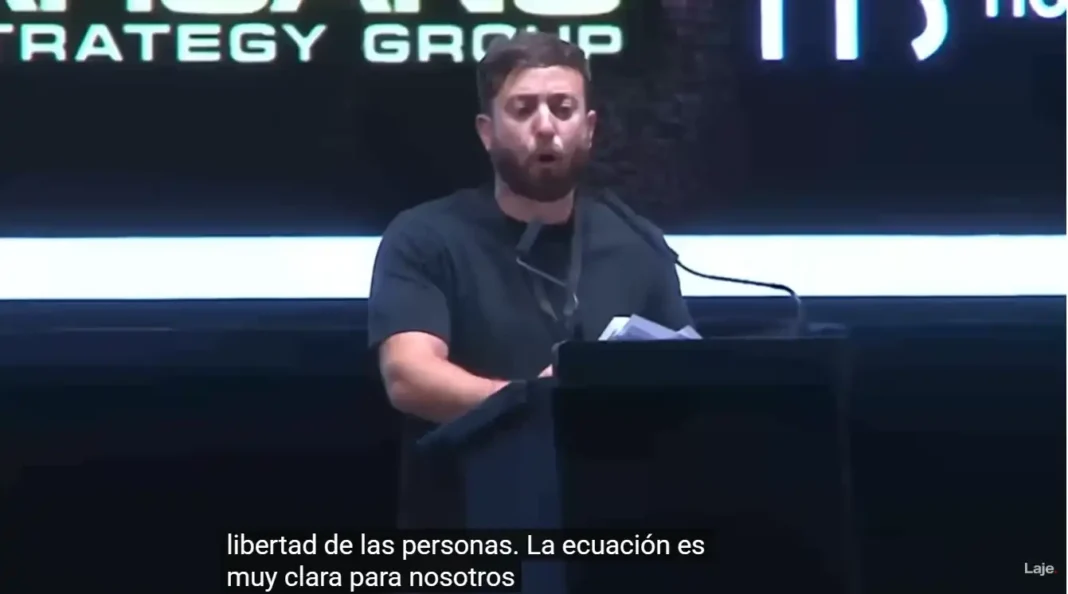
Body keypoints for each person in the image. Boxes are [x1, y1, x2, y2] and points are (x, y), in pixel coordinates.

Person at [367, 32, 693, 527]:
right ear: (487, 131)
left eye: (562, 109)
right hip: (469, 525)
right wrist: (537, 404)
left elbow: (684, 375)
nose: (545, 127)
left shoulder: (636, 241)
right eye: (523, 109)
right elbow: (409, 378)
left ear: (589, 128)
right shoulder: (425, 236)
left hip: (612, 528)